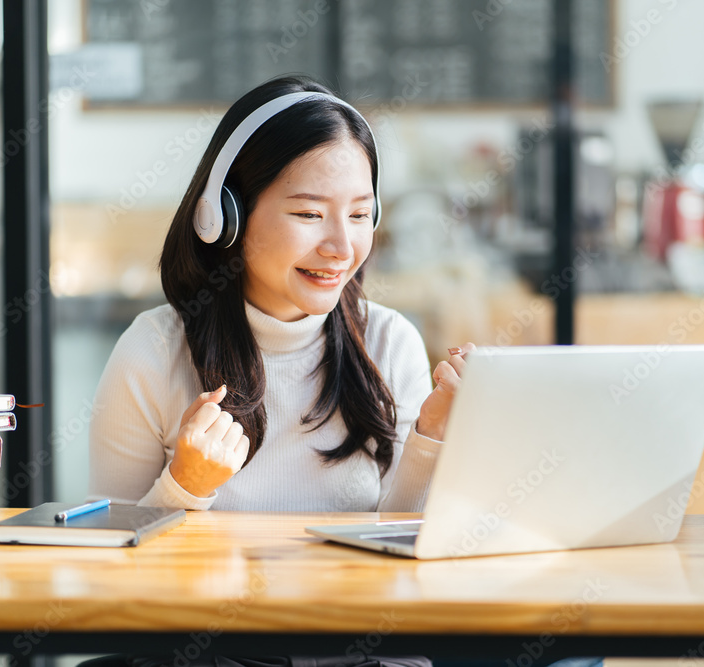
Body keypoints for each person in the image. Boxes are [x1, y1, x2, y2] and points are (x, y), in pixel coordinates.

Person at [81, 75, 474, 667]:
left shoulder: (390, 341)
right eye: (310, 214)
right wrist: (183, 487)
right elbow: (108, 578)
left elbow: (408, 566)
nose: (342, 245)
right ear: (225, 218)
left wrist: (431, 437)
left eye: (361, 215)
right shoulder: (151, 353)